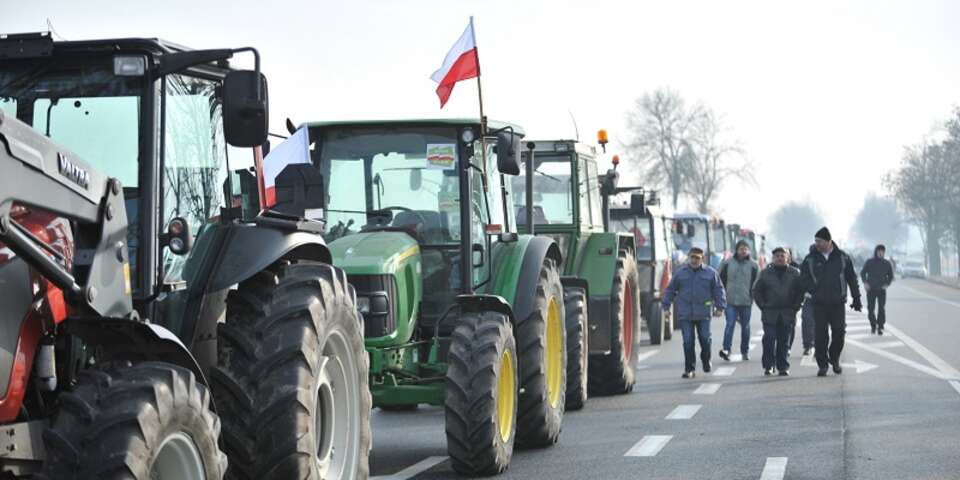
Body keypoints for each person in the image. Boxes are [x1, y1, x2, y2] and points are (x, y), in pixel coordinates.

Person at [799, 227, 863, 377]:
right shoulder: (810, 259)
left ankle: (834, 358)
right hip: (819, 303)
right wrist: (813, 289)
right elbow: (803, 279)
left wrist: (857, 298)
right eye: (815, 241)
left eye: (819, 241)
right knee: (820, 335)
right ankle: (822, 365)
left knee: (839, 333)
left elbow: (851, 279)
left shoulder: (842, 257)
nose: (817, 244)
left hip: (837, 303)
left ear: (829, 241)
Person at [662, 247, 727, 378]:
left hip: (704, 313)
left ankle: (705, 359)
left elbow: (719, 290)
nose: (694, 260)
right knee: (688, 341)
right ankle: (689, 369)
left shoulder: (710, 273)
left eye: (697, 258)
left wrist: (720, 307)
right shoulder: (680, 274)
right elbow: (670, 290)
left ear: (702, 259)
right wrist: (666, 307)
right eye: (692, 257)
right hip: (685, 314)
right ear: (688, 258)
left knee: (705, 339)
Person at [754, 247, 804, 376]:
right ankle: (769, 365)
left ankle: (783, 366)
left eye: (782, 256)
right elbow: (756, 291)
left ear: (787, 258)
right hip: (770, 312)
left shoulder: (795, 273)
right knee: (769, 339)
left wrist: (796, 306)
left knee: (784, 341)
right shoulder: (765, 273)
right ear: (773, 258)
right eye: (777, 256)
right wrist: (763, 305)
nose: (780, 258)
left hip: (788, 312)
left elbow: (800, 291)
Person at [718, 240, 759, 361]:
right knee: (730, 324)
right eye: (741, 248)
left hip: (746, 301)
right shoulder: (727, 263)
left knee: (745, 327)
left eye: (746, 249)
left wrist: (753, 296)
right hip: (730, 301)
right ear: (736, 250)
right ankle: (726, 350)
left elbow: (758, 283)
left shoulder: (754, 265)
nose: (743, 251)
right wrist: (721, 297)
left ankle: (744, 351)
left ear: (749, 251)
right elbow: (719, 280)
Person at [860, 244, 895, 335]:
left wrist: (887, 284)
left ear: (884, 253)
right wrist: (865, 283)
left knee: (881, 309)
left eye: (882, 252)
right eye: (879, 251)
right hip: (871, 289)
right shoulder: (869, 262)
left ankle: (880, 326)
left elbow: (890, 276)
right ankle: (873, 325)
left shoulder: (886, 263)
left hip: (881, 290)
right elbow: (863, 273)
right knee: (870, 309)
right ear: (876, 252)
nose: (880, 253)